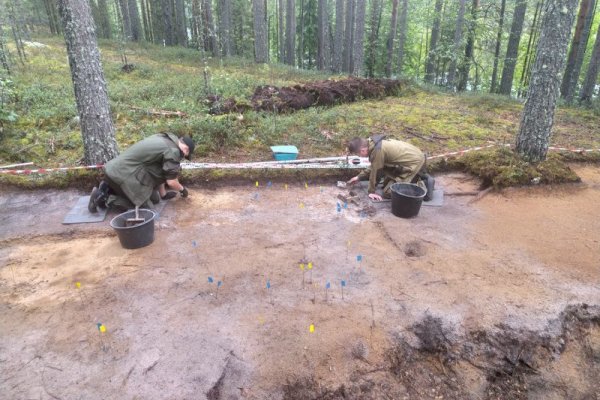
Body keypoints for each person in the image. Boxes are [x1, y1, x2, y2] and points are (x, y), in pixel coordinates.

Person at [88, 133, 195, 213]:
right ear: (186, 150)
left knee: (155, 199)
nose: (182, 158)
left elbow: (162, 171)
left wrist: (163, 194)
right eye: (185, 156)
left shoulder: (164, 139)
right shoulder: (173, 152)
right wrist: (182, 190)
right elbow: (171, 181)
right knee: (146, 210)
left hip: (117, 169)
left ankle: (108, 187)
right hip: (124, 174)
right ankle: (104, 198)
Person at [346, 134, 434, 201]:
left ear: (363, 150)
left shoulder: (377, 151)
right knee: (385, 184)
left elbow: (376, 171)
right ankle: (413, 177)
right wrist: (359, 177)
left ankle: (423, 183)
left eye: (358, 154)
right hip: (407, 160)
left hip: (414, 163)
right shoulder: (372, 143)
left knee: (389, 192)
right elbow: (374, 166)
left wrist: (371, 192)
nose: (359, 156)